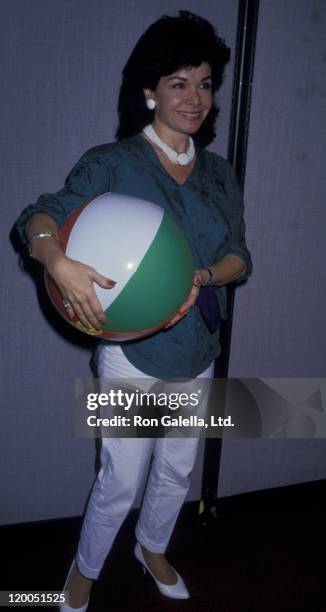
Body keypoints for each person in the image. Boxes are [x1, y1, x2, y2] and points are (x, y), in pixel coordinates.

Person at [16, 10, 252, 611]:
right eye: (178, 83)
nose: (194, 98)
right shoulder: (114, 163)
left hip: (200, 348)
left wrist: (201, 274)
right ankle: (84, 572)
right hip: (132, 352)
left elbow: (240, 258)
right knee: (120, 479)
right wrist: (54, 258)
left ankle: (152, 549)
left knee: (177, 470)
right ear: (149, 91)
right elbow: (37, 216)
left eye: (204, 83)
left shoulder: (220, 174)